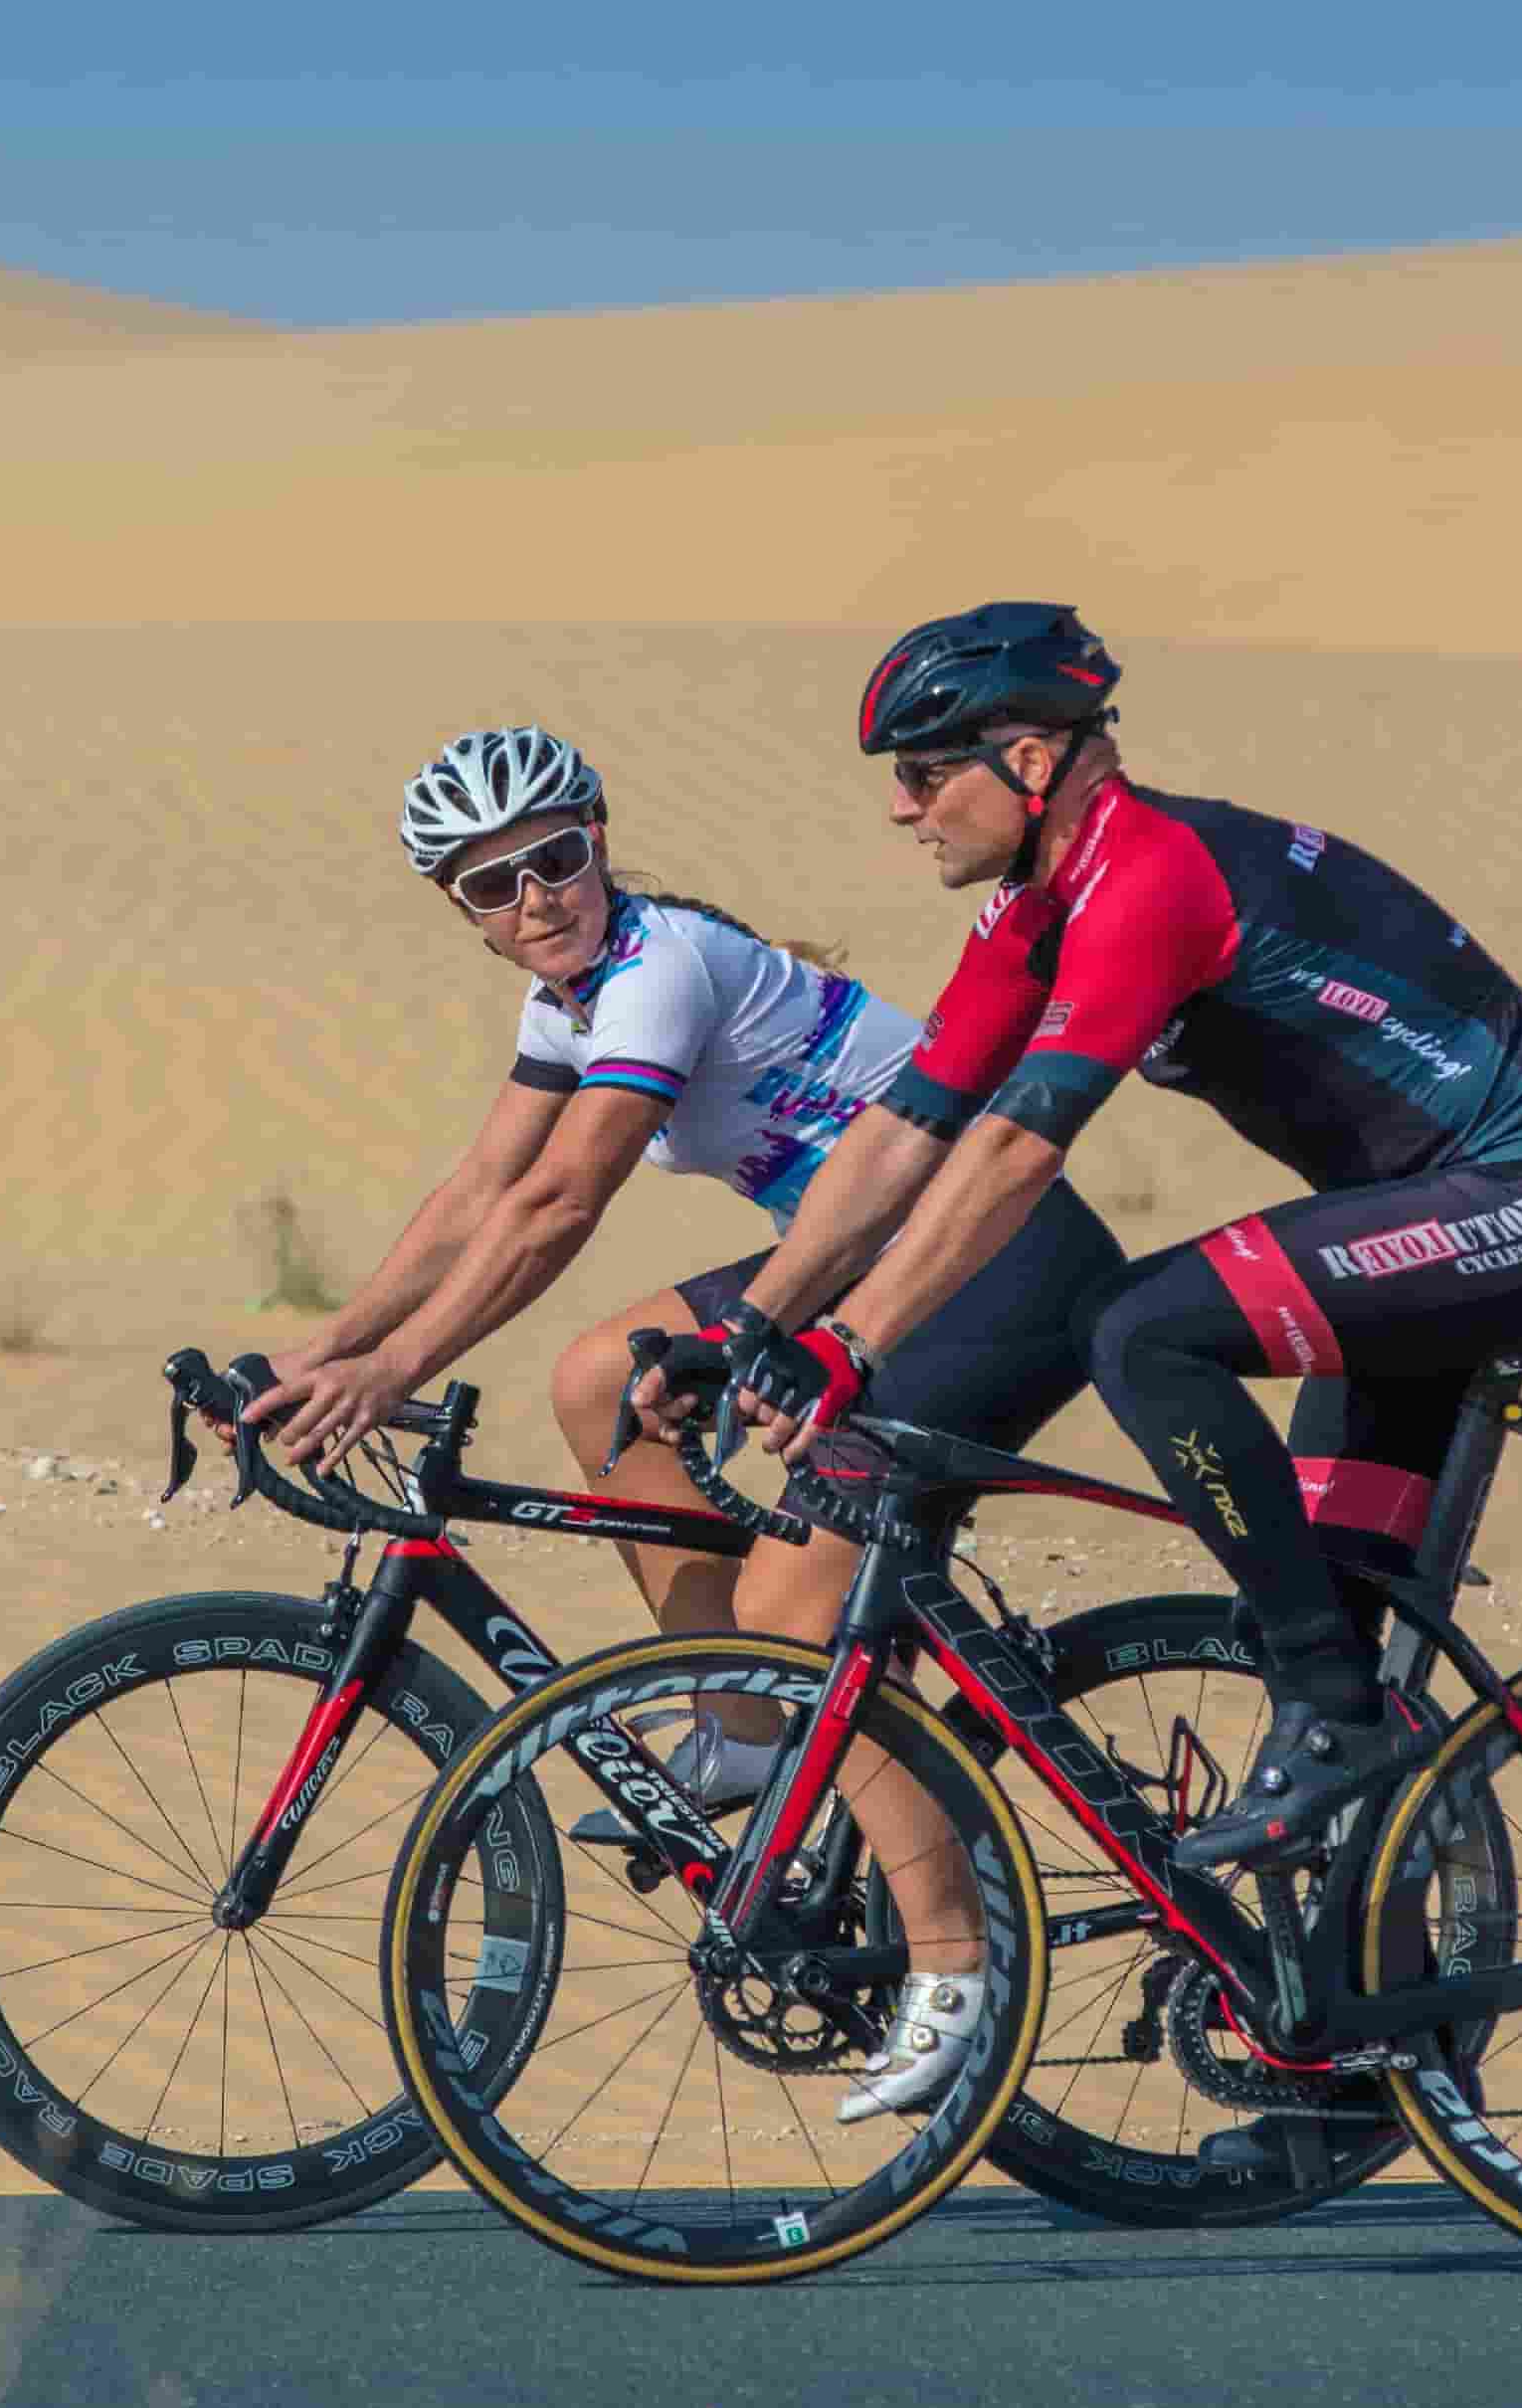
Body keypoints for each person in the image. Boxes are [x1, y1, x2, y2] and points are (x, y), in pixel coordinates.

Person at [646, 602, 1522, 1916]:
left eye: (925, 768)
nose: (902, 807)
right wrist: (758, 1324)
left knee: (1140, 1328)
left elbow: (1010, 1153)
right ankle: (1335, 2065)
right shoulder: (1039, 907)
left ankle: (1338, 1719)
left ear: (1033, 760)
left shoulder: (1149, 879)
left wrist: (855, 1340)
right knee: (1332, 1637)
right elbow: (904, 1132)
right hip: (1418, 1221)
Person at [238, 721, 1128, 2116]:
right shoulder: (570, 994)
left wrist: (396, 1366)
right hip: (848, 1265)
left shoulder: (662, 967)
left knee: (800, 1617)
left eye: (554, 858)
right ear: (460, 912)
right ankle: (744, 1718)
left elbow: (558, 1203)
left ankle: (953, 1965)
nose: (534, 897)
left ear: (598, 837)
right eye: (491, 883)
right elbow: (481, 1186)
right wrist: (333, 1347)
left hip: (990, 1272)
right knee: (599, 1374)